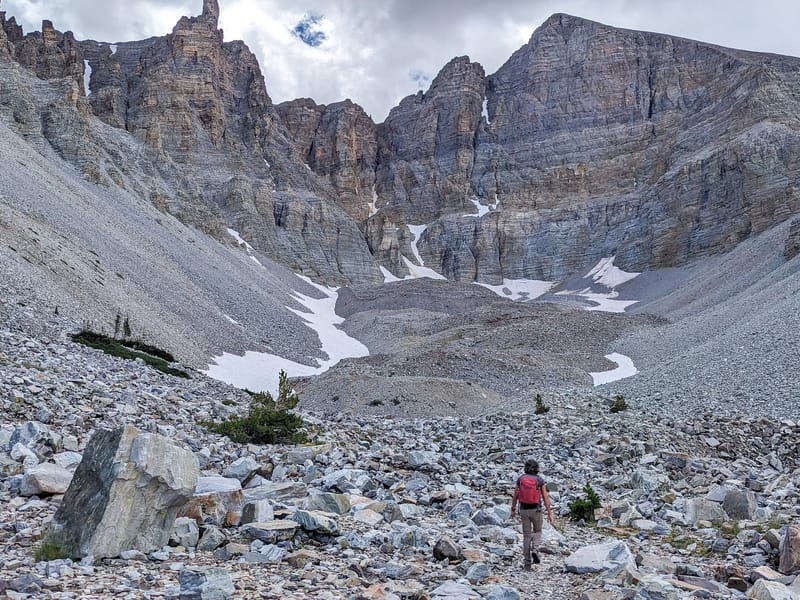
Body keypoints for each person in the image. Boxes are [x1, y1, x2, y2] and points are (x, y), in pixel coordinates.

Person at [510, 458, 554, 570]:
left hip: (524, 510)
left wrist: (513, 509)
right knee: (538, 531)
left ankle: (527, 564)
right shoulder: (539, 480)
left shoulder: (520, 479)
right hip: (536, 510)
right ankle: (535, 549)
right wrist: (549, 513)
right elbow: (545, 497)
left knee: (526, 536)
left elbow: (515, 495)